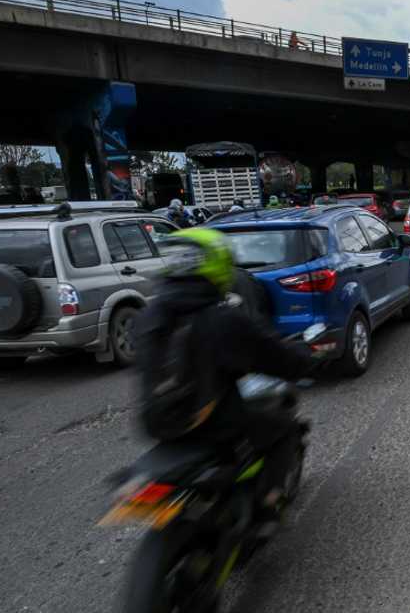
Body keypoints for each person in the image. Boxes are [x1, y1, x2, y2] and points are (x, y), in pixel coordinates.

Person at [136, 228, 320, 536]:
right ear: (218, 264)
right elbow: (275, 356)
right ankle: (268, 504)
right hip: (212, 422)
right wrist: (307, 360)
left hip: (157, 422)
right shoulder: (222, 319)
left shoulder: (149, 315)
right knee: (283, 429)